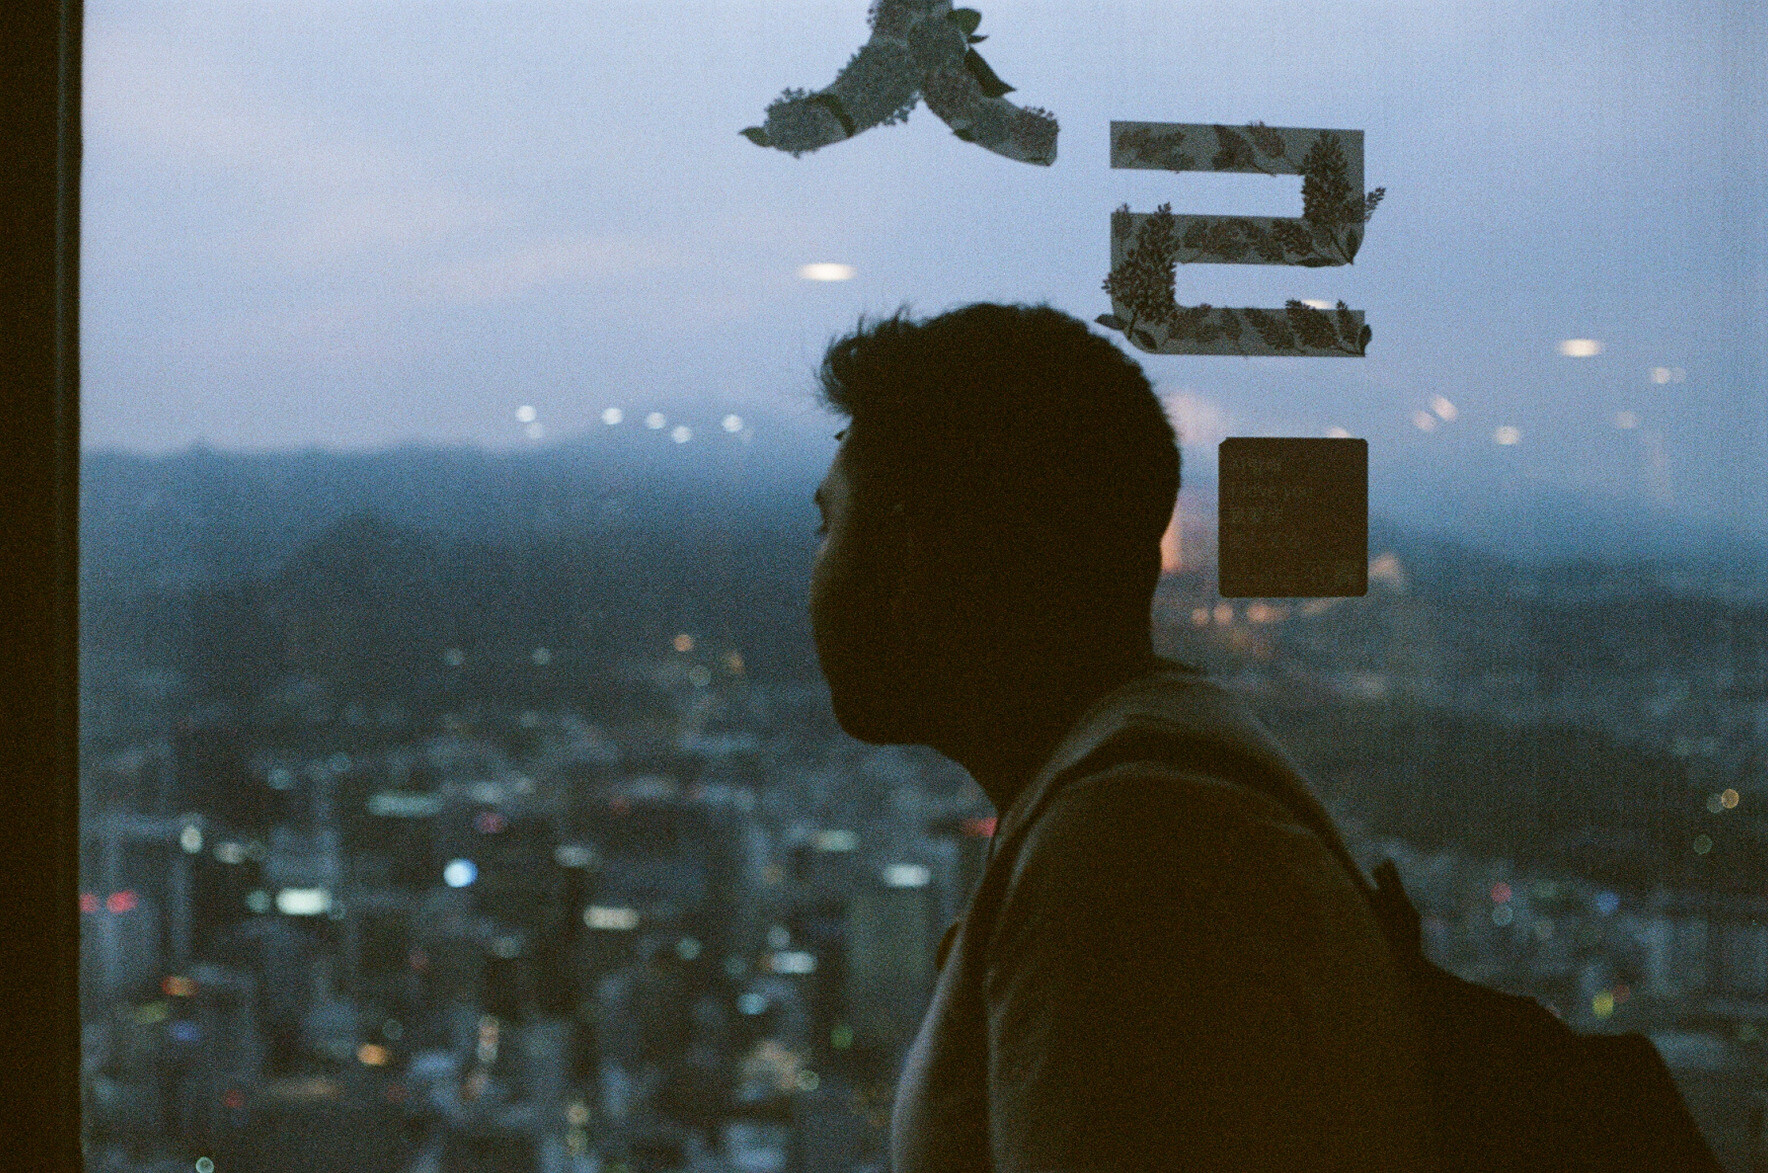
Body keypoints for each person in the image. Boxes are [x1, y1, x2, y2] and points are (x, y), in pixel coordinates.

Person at [807, 303, 1432, 1172]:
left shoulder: (1125, 861)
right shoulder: (1148, 783)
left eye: (827, 526)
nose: (814, 571)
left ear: (908, 555)